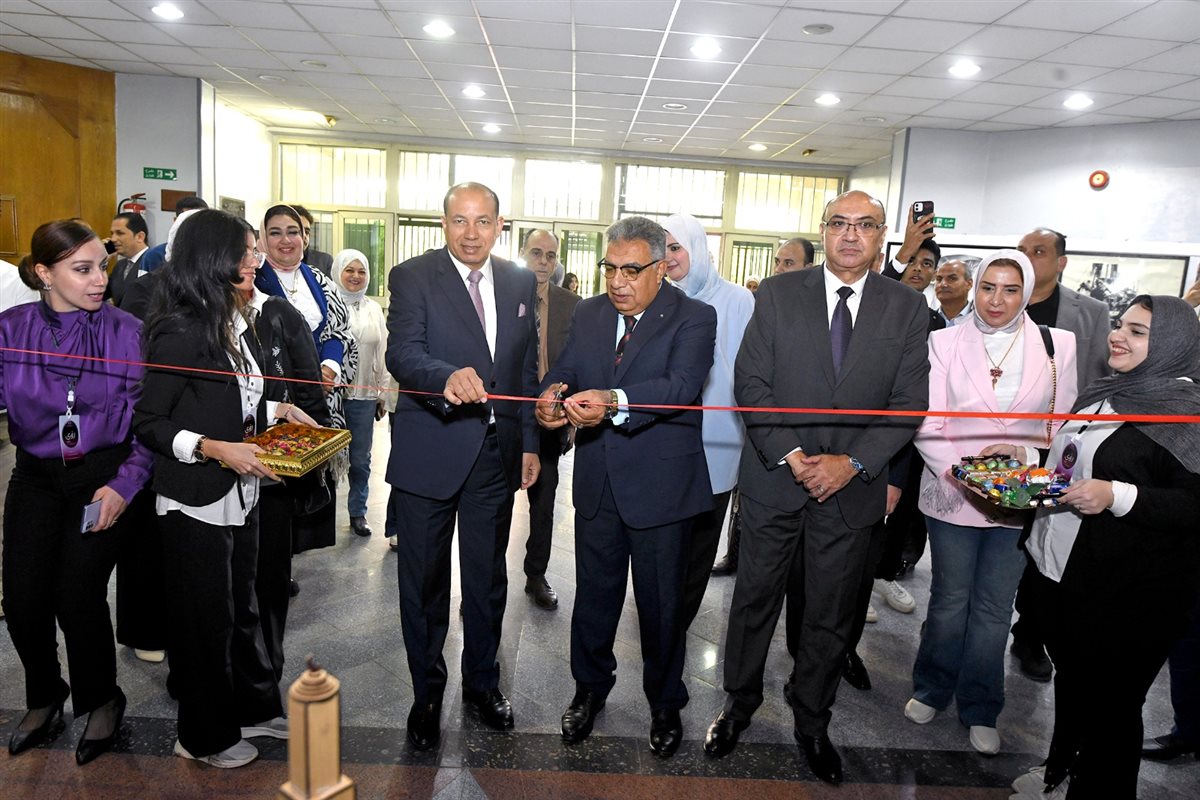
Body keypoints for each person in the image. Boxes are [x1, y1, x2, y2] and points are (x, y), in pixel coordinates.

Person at [706, 190, 930, 786]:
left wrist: (850, 464)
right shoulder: (778, 294)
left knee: (830, 613)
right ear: (824, 230)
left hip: (851, 492)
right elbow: (751, 383)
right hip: (775, 480)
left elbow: (910, 404)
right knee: (754, 601)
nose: (850, 235)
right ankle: (739, 704)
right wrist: (794, 455)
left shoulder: (907, 307)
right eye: (839, 223)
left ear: (882, 235)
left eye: (865, 225)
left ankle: (812, 720)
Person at [136, 209, 313, 768]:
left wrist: (278, 409)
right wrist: (215, 448)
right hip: (195, 498)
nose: (256, 259)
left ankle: (251, 707)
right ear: (214, 259)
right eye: (246, 251)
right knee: (204, 622)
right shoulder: (181, 329)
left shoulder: (235, 320)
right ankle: (203, 736)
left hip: (241, 490)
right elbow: (149, 422)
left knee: (243, 610)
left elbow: (231, 398)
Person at [536, 215, 716, 757]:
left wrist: (613, 401)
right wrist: (551, 397)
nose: (618, 281)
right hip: (599, 483)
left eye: (631, 270)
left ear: (661, 269)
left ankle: (665, 702)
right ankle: (589, 689)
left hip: (662, 488)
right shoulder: (590, 312)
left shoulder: (694, 316)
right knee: (594, 598)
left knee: (662, 607)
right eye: (610, 268)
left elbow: (681, 385)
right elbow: (567, 368)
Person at [1007, 295, 1200, 799]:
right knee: (1075, 687)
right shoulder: (1106, 391)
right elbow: (1073, 462)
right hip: (1065, 571)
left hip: (1132, 593)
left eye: (1138, 332)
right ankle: (1061, 771)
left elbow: (1192, 504)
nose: (1117, 336)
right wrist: (1023, 455)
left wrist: (1118, 496)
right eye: (1120, 325)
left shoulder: (1185, 413)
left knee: (1112, 710)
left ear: (1172, 345)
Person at [903, 250, 1078, 757]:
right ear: (974, 288)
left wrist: (1022, 464)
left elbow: (1063, 425)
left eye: (1010, 289)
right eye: (988, 287)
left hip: (1020, 495)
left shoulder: (1057, 344)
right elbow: (928, 421)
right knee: (949, 599)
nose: (996, 300)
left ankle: (982, 705)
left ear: (1026, 293)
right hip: (953, 489)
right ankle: (932, 687)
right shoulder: (943, 341)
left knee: (995, 607)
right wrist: (968, 477)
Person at [385, 182, 540, 752]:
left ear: (500, 225)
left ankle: (482, 682)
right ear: (443, 223)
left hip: (494, 457)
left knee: (487, 579)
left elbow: (524, 369)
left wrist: (529, 442)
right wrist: (443, 377)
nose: (470, 233)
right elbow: (403, 353)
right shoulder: (413, 276)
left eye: (482, 221)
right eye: (459, 221)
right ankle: (426, 695)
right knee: (423, 581)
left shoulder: (520, 281)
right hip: (431, 449)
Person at [0, 219, 151, 765]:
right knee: (21, 596)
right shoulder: (10, 329)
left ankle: (102, 697)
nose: (99, 280)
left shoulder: (128, 331)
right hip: (35, 477)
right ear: (44, 273)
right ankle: (44, 695)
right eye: (82, 269)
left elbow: (150, 424)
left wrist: (125, 485)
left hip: (106, 475)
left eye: (101, 267)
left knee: (76, 592)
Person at [1009, 227, 1112, 683]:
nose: (1028, 258)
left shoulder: (1091, 313)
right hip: (1005, 443)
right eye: (1022, 251)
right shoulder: (1001, 298)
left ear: (1061, 261)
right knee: (1006, 539)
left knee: (1044, 543)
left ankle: (1030, 636)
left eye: (1038, 251)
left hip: (1062, 445)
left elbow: (1099, 376)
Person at [242, 244, 331, 686]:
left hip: (272, 474)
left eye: (251, 253)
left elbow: (307, 384)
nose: (252, 261)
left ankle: (265, 680)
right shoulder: (191, 321)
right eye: (241, 253)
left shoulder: (276, 312)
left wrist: (317, 451)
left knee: (269, 579)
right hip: (209, 478)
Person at [662, 213, 754, 629]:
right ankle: (660, 616)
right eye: (662, 248)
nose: (669, 257)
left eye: (676, 247)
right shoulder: (656, 299)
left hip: (718, 442)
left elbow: (748, 372)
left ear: (697, 249)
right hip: (665, 440)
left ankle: (678, 622)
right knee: (665, 540)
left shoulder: (738, 300)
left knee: (701, 541)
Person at [255, 204, 356, 557]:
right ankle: (274, 564)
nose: (286, 240)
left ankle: (293, 555)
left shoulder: (319, 279)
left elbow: (340, 330)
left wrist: (329, 365)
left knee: (311, 481)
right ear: (262, 239)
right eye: (275, 233)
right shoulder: (252, 279)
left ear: (305, 238)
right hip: (276, 399)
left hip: (320, 397)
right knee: (276, 490)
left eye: (293, 232)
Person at [520, 229, 579, 610]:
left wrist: (570, 417)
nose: (544, 261)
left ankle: (536, 575)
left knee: (544, 502)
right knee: (492, 505)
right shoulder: (501, 295)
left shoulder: (572, 305)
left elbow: (580, 363)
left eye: (551, 255)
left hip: (549, 420)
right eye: (536, 253)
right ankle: (483, 580)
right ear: (523, 254)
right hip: (504, 417)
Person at [331, 248, 387, 537]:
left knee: (360, 460)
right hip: (330, 397)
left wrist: (382, 393)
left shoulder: (373, 309)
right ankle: (321, 517)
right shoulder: (327, 304)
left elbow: (383, 352)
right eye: (349, 270)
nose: (355, 276)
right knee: (326, 458)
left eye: (361, 271)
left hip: (363, 397)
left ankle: (358, 512)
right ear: (337, 272)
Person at [139, 195, 209, 273]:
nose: (193, 225)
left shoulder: (214, 256)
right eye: (187, 220)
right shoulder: (154, 256)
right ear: (176, 221)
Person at [105, 212, 150, 306]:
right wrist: (101, 262)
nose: (113, 239)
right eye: (112, 233)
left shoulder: (153, 263)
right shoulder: (119, 266)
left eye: (120, 233)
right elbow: (102, 293)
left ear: (140, 237)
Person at [293, 204, 334, 277]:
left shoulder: (324, 261)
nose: (304, 236)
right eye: (296, 231)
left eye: (307, 231)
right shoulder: (271, 263)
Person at [934, 259, 973, 327]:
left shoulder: (983, 321)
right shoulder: (925, 320)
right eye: (939, 279)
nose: (943, 284)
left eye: (952, 278)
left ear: (969, 284)